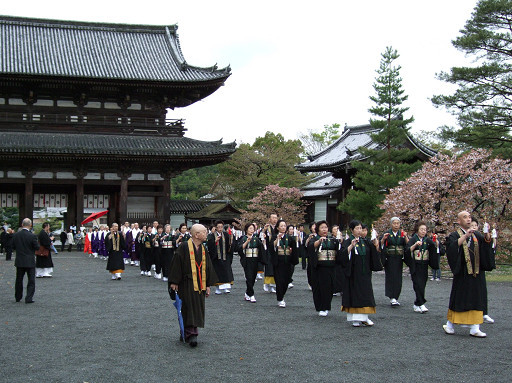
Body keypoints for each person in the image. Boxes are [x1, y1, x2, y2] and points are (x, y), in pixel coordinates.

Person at [443, 211, 494, 338]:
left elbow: (485, 247)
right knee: (459, 298)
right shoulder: (454, 235)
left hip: (476, 273)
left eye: (469, 217)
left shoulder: (476, 235)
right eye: (465, 217)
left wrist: (487, 237)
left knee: (477, 299)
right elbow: (451, 250)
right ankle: (449, 324)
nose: (468, 219)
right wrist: (465, 236)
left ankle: (475, 327)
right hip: (463, 273)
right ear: (459, 221)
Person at [168, 224, 218, 347]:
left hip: (200, 283)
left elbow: (208, 267)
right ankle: (192, 334)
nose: (206, 234)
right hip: (186, 283)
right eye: (204, 232)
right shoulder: (184, 247)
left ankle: (185, 331)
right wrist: (174, 281)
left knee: (197, 307)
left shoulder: (203, 249)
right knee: (188, 307)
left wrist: (207, 285)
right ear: (196, 235)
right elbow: (176, 264)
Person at [340, 220, 382, 327]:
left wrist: (376, 245)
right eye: (357, 228)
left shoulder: (365, 242)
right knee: (355, 294)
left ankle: (365, 317)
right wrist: (351, 247)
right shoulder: (348, 241)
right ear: (352, 230)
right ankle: (355, 318)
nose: (359, 231)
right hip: (353, 274)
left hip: (365, 273)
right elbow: (342, 256)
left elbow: (373, 254)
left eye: (361, 228)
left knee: (366, 294)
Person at [405, 221, 439, 313]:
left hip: (424, 264)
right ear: (417, 230)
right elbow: (407, 250)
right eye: (421, 229)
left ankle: (417, 304)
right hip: (415, 264)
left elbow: (435, 249)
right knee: (417, 284)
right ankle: (421, 303)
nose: (423, 231)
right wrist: (415, 244)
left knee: (422, 284)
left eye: (425, 230)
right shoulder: (413, 239)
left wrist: (436, 243)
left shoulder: (427, 240)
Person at [308, 220, 340, 316]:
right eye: (322, 227)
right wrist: (319, 241)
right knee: (319, 288)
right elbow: (310, 246)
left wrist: (339, 241)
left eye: (325, 227)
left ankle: (326, 306)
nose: (324, 229)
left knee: (329, 288)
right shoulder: (315, 238)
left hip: (330, 266)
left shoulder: (331, 239)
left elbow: (337, 249)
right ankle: (320, 307)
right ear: (318, 229)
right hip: (319, 268)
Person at [470, 218, 495, 324]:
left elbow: (487, 247)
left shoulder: (479, 236)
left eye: (475, 225)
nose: (474, 227)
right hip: (469, 268)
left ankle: (484, 313)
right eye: (472, 225)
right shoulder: (466, 237)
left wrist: (488, 237)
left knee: (482, 291)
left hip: (479, 268)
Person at [269, 219, 299, 308]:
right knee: (279, 281)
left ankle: (282, 295)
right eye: (281, 226)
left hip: (287, 261)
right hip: (278, 261)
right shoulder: (274, 236)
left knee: (286, 281)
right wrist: (277, 239)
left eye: (284, 226)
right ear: (278, 227)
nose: (283, 227)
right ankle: (280, 298)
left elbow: (294, 249)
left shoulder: (289, 238)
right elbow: (271, 247)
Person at [380, 217, 409, 307]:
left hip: (399, 258)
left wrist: (406, 237)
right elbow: (381, 244)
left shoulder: (402, 234)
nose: (396, 225)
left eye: (398, 223)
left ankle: (396, 296)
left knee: (398, 278)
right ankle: (392, 296)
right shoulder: (387, 233)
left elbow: (407, 245)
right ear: (391, 224)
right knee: (391, 277)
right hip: (390, 258)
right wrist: (383, 239)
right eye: (394, 223)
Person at [236, 223, 266, 303]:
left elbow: (261, 248)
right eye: (250, 228)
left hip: (255, 259)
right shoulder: (243, 238)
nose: (251, 230)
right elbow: (239, 248)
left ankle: (247, 293)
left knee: (253, 277)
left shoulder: (256, 238)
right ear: (246, 230)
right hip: (247, 259)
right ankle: (251, 294)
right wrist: (247, 242)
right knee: (249, 277)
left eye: (252, 228)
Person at [12, 218, 39, 303]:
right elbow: (37, 247)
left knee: (19, 279)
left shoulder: (16, 235)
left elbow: (13, 246)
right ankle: (29, 298)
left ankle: (18, 297)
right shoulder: (32, 236)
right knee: (31, 280)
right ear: (30, 225)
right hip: (30, 260)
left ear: (22, 224)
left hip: (19, 260)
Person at [207, 220, 234, 295]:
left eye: (221, 227)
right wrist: (215, 241)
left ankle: (226, 287)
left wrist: (231, 241)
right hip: (216, 257)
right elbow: (209, 246)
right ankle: (218, 288)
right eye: (218, 227)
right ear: (216, 227)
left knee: (226, 272)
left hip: (225, 256)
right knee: (218, 273)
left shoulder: (226, 235)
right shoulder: (212, 235)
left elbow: (229, 245)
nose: (220, 229)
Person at [263, 213, 278, 293]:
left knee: (275, 267)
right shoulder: (267, 227)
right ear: (270, 219)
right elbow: (261, 236)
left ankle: (273, 285)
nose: (275, 219)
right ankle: (266, 283)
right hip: (269, 249)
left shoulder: (278, 228)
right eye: (273, 218)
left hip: (276, 249)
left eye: (276, 218)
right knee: (269, 266)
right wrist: (264, 230)